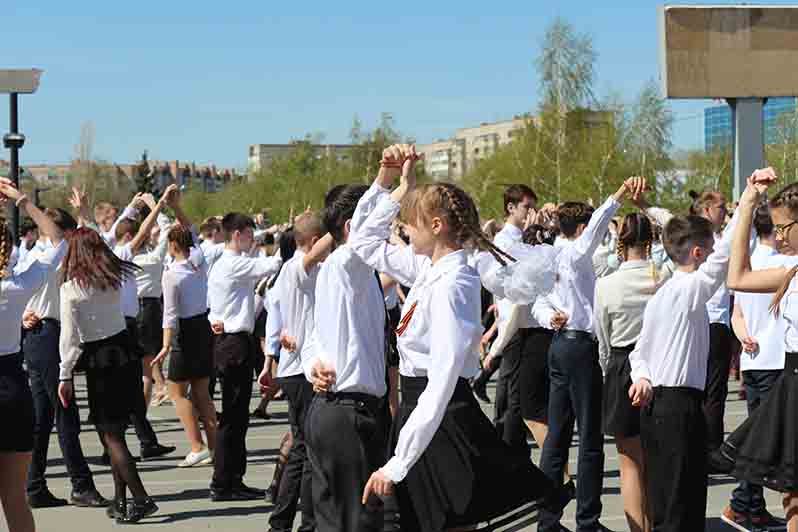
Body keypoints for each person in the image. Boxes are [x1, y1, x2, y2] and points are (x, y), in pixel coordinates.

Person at [352, 145, 567, 532]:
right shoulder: (427, 267)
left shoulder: (453, 282)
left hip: (441, 417)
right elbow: (363, 243)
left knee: (444, 523)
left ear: (436, 226)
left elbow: (443, 379)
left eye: (410, 222)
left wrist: (399, 462)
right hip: (421, 413)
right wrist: (396, 184)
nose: (403, 229)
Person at [627, 169, 774, 532]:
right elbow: (724, 257)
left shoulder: (663, 295)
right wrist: (750, 198)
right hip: (677, 409)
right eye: (706, 250)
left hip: (661, 406)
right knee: (680, 507)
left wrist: (642, 377)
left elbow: (639, 353)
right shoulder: (689, 290)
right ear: (696, 253)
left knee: (671, 501)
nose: (712, 254)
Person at [538, 178, 643, 532]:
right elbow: (598, 224)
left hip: (557, 344)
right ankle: (588, 520)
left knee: (556, 436)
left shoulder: (548, 255)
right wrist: (618, 196)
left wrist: (546, 315)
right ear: (581, 229)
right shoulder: (577, 252)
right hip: (581, 346)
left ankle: (548, 519)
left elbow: (536, 298)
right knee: (591, 440)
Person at [300, 180, 389, 532]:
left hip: (341, 409)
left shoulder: (353, 273)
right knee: (357, 522)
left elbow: (312, 338)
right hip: (345, 414)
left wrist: (311, 365)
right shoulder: (343, 264)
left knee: (336, 522)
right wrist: (389, 182)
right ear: (353, 228)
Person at [711, 172, 798, 531]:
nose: (777, 236)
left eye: (784, 227)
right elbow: (737, 278)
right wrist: (747, 203)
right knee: (792, 493)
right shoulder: (791, 272)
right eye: (774, 228)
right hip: (791, 381)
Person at [57, 227, 158, 523]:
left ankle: (140, 498)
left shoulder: (71, 289)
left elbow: (70, 338)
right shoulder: (116, 277)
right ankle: (120, 499)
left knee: (110, 436)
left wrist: (65, 374)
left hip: (100, 360)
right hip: (124, 352)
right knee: (118, 433)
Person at [19, 206, 107, 509]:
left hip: (41, 336)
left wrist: (22, 317)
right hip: (47, 337)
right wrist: (24, 202)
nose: (72, 239)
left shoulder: (37, 255)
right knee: (65, 412)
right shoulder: (46, 255)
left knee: (43, 417)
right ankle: (80, 485)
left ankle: (34, 485)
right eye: (68, 233)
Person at [0, 178, 66, 532]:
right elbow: (58, 240)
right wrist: (22, 200)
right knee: (14, 498)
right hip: (11, 386)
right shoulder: (17, 285)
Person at [263, 212, 333, 532]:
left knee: (301, 448)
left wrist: (276, 348)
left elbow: (273, 312)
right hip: (302, 372)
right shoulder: (302, 268)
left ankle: (283, 521)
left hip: (294, 369)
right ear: (312, 242)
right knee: (306, 453)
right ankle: (293, 523)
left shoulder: (289, 270)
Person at [594, 210, 662, 532]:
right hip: (659, 366)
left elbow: (603, 341)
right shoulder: (662, 278)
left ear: (620, 241)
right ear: (650, 240)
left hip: (622, 366)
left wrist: (608, 369)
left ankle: (639, 529)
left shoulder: (606, 284)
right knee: (654, 460)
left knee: (629, 464)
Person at [206, 212, 282, 501]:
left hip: (232, 340)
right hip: (234, 343)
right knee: (234, 418)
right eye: (250, 233)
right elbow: (270, 264)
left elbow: (211, 304)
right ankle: (225, 481)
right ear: (237, 234)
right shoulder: (234, 263)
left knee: (237, 417)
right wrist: (284, 243)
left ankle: (231, 479)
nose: (253, 238)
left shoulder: (223, 263)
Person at [150, 224, 218, 468]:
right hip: (203, 327)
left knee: (176, 392)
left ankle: (197, 446)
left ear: (172, 245)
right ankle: (215, 447)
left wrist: (166, 345)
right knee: (202, 392)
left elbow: (169, 314)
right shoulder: (198, 262)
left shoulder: (172, 274)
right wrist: (177, 207)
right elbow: (190, 228)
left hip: (186, 332)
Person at [489, 184, 537, 451]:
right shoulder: (506, 241)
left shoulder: (520, 239)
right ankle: (507, 452)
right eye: (526, 207)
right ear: (511, 208)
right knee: (510, 398)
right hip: (514, 325)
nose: (531, 212)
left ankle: (512, 450)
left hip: (524, 324)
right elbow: (513, 287)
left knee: (516, 397)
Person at [689, 189, 734, 456]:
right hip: (703, 319)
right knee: (702, 390)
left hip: (717, 322)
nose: (724, 212)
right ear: (706, 210)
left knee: (714, 391)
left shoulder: (720, 237)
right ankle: (707, 448)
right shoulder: (696, 237)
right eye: (720, 208)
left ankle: (708, 446)